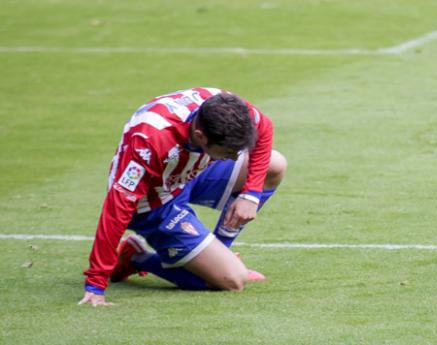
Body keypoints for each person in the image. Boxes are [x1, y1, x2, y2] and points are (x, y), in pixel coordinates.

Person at [79, 87, 286, 306]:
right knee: (233, 280)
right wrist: (96, 283)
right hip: (154, 202)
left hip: (189, 174)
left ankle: (220, 253)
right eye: (228, 152)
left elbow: (265, 128)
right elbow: (117, 206)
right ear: (200, 136)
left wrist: (251, 193)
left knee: (275, 164)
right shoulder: (150, 139)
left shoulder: (225, 105)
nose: (235, 157)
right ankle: (136, 258)